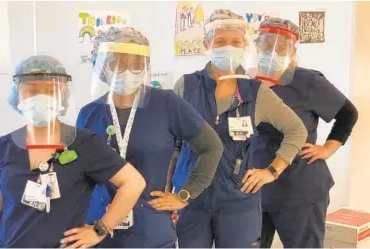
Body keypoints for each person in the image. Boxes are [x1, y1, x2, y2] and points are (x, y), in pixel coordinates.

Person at [163, 9, 308, 248]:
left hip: (238, 203)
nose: (228, 47)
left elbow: (296, 130)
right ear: (206, 43)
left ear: (244, 45)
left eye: (235, 42)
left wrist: (271, 171)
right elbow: (174, 145)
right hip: (189, 198)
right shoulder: (186, 86)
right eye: (220, 41)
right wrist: (168, 189)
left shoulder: (256, 91)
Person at [77, 27, 223, 248]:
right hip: (99, 228)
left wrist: (185, 194)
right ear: (102, 66)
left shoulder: (166, 103)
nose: (127, 71)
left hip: (150, 228)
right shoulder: (89, 114)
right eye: (118, 63)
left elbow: (212, 147)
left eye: (136, 65)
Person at [0, 55, 146, 248]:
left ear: (63, 95)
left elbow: (133, 182)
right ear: (18, 95)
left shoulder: (84, 144)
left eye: (50, 90)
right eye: (32, 90)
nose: (41, 97)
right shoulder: (4, 148)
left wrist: (99, 230)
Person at [248, 18, 359, 248]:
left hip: (300, 188)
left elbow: (348, 114)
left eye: (281, 48)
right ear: (257, 46)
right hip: (253, 187)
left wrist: (327, 149)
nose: (273, 52)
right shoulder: (244, 82)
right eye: (268, 46)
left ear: (293, 51)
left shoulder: (307, 82)